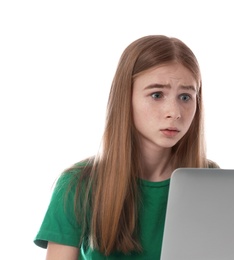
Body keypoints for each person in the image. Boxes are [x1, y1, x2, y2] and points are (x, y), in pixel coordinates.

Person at [34, 35, 219, 259]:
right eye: (157, 95)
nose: (175, 112)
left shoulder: (211, 181)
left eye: (185, 97)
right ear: (125, 97)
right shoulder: (78, 184)